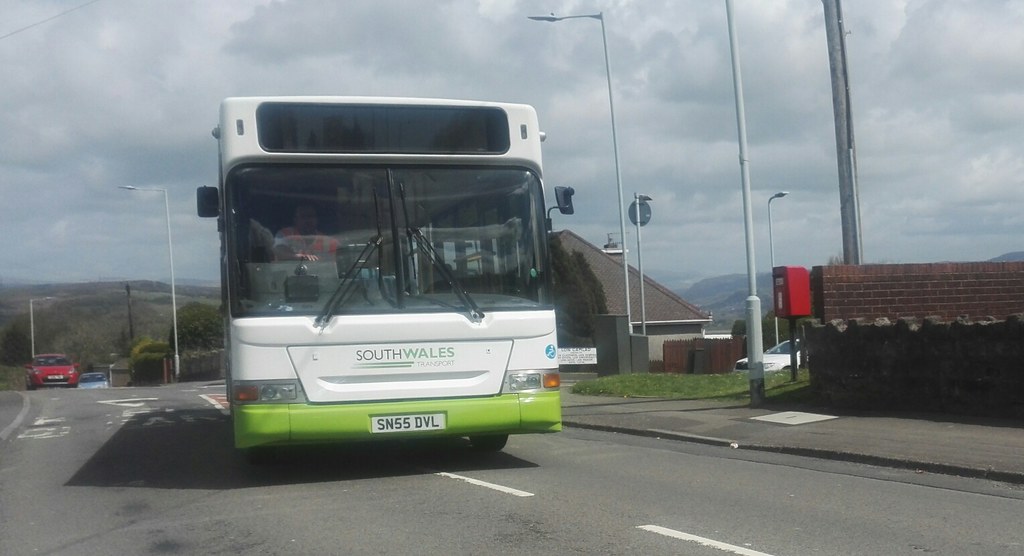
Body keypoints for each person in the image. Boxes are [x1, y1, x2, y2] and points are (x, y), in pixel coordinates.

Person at [274, 203, 339, 261]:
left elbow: (335, 262)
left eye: (311, 216)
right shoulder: (284, 234)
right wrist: (299, 257)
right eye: (303, 217)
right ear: (295, 220)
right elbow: (278, 253)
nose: (308, 220)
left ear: (317, 219)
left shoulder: (328, 241)